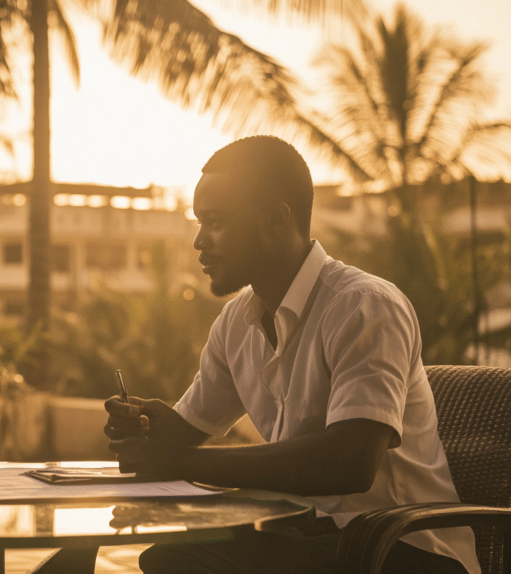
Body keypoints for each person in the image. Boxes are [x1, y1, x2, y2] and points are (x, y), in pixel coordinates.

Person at [104, 136, 480, 574]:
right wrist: (152, 425)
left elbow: (351, 463)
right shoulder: (236, 324)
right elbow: (187, 432)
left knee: (183, 565)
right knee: (170, 559)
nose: (199, 241)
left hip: (401, 551)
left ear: (276, 218)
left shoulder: (363, 305)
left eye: (216, 222)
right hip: (314, 540)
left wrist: (180, 460)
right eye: (199, 222)